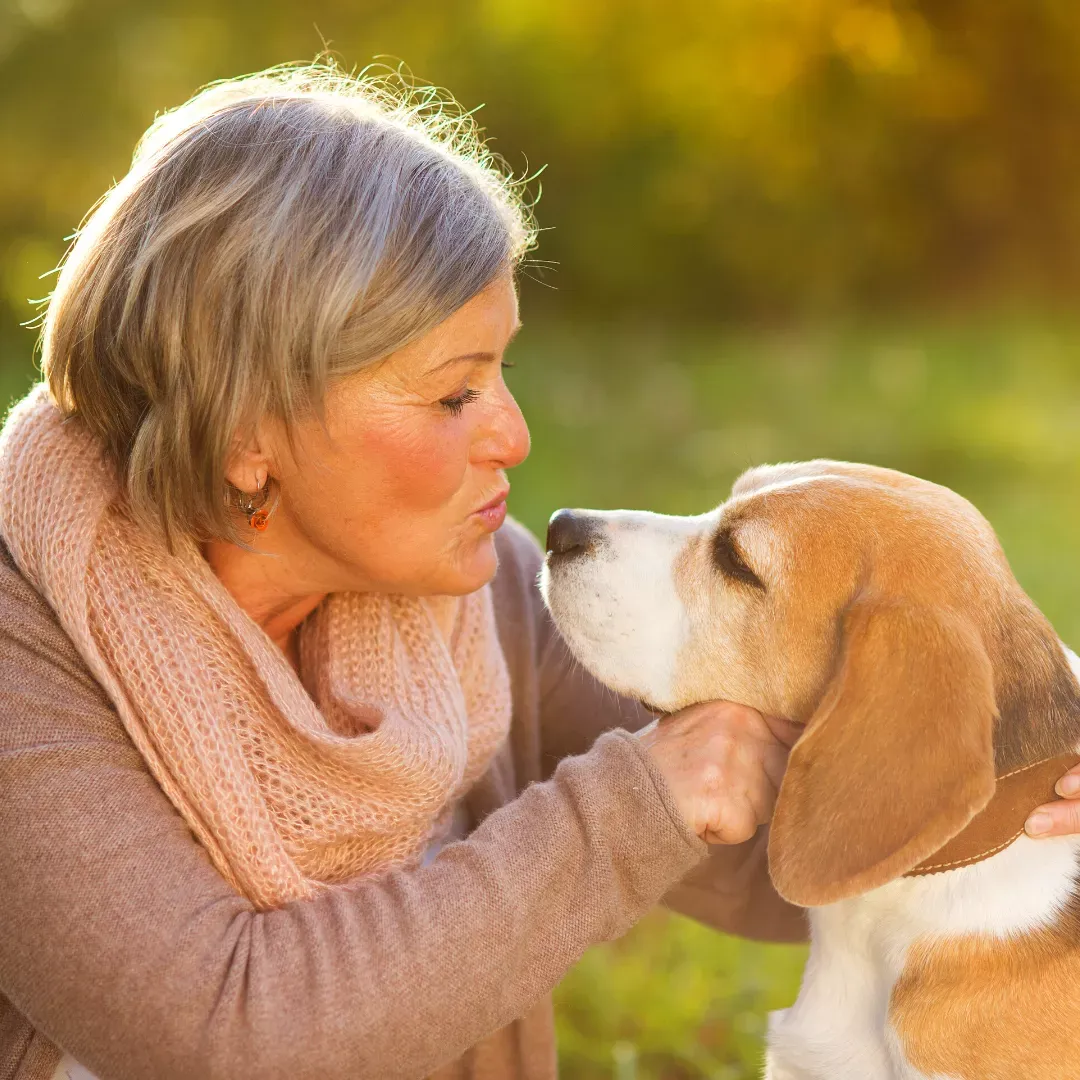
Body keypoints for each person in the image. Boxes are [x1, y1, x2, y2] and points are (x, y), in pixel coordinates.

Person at [0, 65, 806, 1080]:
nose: (512, 435)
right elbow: (221, 1030)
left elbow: (774, 846)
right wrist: (628, 810)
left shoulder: (479, 593)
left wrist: (1029, 790)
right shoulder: (26, 639)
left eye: (501, 371)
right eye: (452, 396)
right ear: (250, 432)